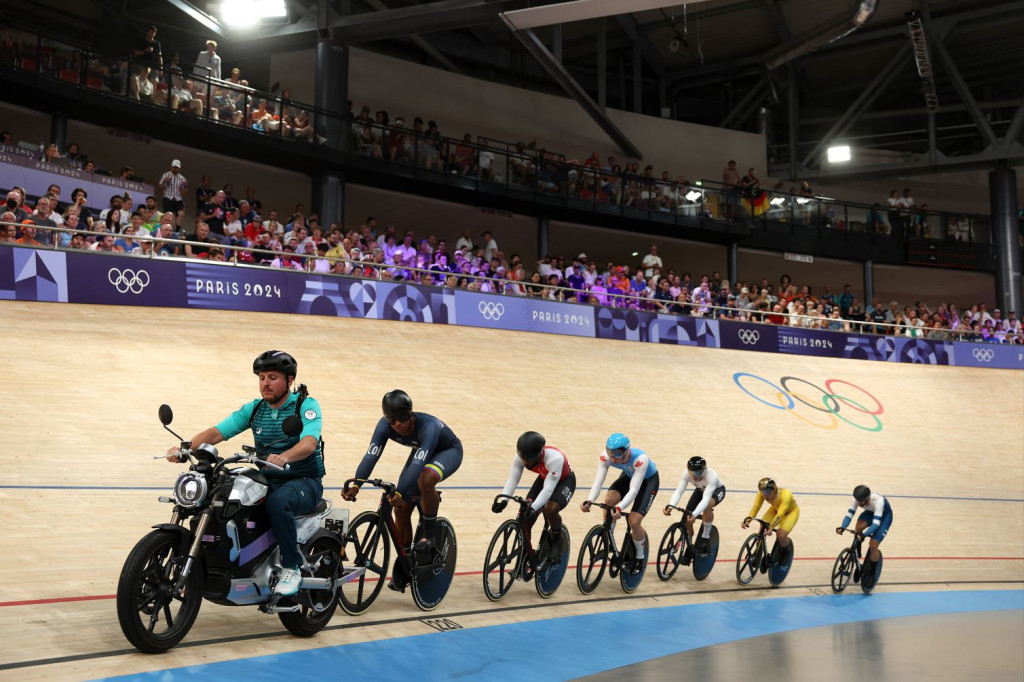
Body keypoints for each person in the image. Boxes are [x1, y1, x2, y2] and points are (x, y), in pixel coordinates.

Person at [164, 351, 325, 596]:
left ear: (290, 380)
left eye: (272, 377)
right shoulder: (255, 409)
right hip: (269, 478)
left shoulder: (305, 406)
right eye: (261, 377)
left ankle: (292, 567)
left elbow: (310, 443)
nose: (265, 383)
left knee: (279, 502)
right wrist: (186, 448)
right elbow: (217, 432)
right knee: (224, 493)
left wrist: (285, 457)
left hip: (303, 481)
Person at [341, 389, 463, 592]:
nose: (398, 424)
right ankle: (405, 558)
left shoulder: (429, 426)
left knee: (425, 479)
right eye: (392, 420)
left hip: (447, 451)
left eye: (403, 418)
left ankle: (429, 535)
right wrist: (356, 485)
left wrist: (399, 491)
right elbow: (371, 456)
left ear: (411, 414)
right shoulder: (384, 426)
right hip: (421, 453)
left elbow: (418, 464)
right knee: (401, 508)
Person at [581, 433, 659, 573]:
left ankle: (640, 556)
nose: (612, 457)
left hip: (648, 482)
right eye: (610, 452)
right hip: (630, 475)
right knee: (608, 501)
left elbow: (634, 490)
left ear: (626, 451)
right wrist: (590, 500)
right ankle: (609, 538)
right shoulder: (606, 457)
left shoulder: (640, 459)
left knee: (634, 521)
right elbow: (598, 481)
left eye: (616, 453)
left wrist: (620, 507)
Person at [494, 431, 576, 560]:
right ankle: (528, 554)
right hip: (545, 478)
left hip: (564, 481)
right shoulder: (521, 457)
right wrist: (504, 500)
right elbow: (513, 479)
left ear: (539, 455)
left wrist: (533, 508)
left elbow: (548, 490)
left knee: (550, 508)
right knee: (524, 517)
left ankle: (557, 539)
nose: (525, 462)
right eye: (523, 459)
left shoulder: (555, 459)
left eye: (529, 459)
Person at [665, 456, 725, 558]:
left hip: (716, 491)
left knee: (707, 506)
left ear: (704, 470)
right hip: (700, 490)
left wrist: (695, 514)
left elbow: (706, 499)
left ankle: (705, 538)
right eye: (692, 473)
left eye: (697, 473)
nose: (694, 476)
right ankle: (689, 541)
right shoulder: (686, 474)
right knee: (688, 514)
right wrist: (671, 505)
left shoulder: (712, 476)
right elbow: (679, 491)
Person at [836, 485, 893, 579]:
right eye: (857, 501)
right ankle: (857, 550)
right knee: (858, 528)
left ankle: (873, 573)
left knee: (873, 544)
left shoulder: (878, 502)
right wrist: (842, 527)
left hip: (884, 517)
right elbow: (849, 514)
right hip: (870, 513)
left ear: (867, 499)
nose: (858, 504)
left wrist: (864, 535)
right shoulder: (857, 500)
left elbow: (876, 524)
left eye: (861, 502)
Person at [742, 477, 799, 563]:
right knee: (763, 526)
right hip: (776, 509)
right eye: (763, 492)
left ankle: (787, 550)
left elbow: (780, 514)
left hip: (790, 513)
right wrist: (748, 520)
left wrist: (771, 528)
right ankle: (758, 551)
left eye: (768, 492)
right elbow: (756, 506)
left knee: (781, 535)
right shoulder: (762, 494)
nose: (765, 495)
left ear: (774, 490)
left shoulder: (786, 495)